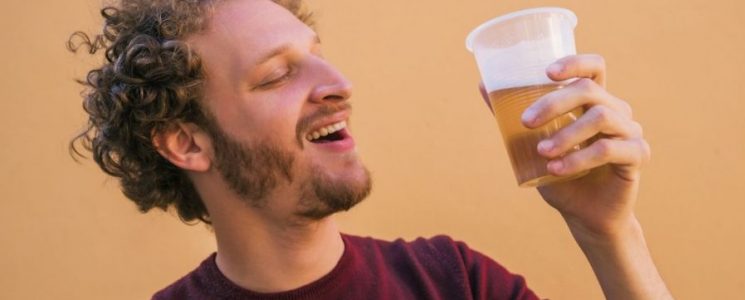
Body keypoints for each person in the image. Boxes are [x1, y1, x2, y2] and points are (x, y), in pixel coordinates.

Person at [68, 0, 673, 299]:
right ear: (186, 142)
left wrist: (609, 234)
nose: (337, 84)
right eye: (277, 75)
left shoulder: (452, 282)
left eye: (317, 54)